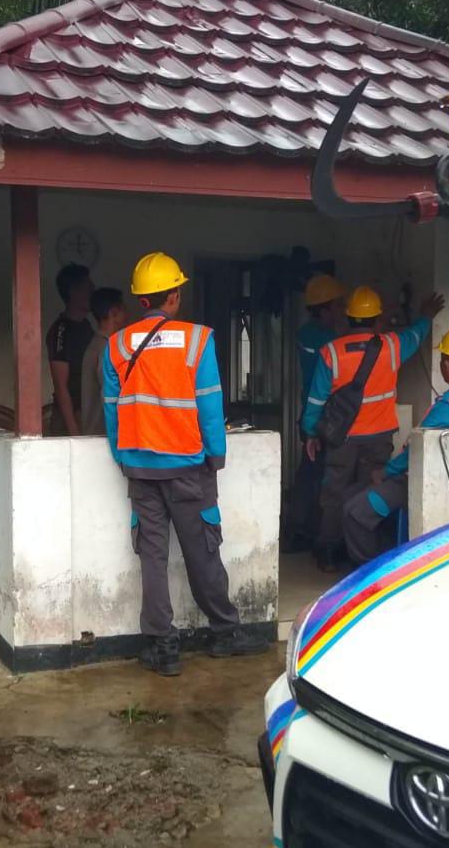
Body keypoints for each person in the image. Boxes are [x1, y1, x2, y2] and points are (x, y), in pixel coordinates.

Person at [102, 252, 269, 676]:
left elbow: (111, 411)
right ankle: (224, 633)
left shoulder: (117, 345)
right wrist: (217, 455)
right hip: (189, 468)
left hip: (140, 469)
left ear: (142, 301)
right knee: (203, 550)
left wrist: (123, 456)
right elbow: (210, 404)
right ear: (174, 296)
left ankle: (162, 646)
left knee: (153, 556)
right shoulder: (197, 340)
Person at [302, 285, 445, 572]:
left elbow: (316, 398)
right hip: (378, 438)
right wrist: (425, 316)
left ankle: (329, 552)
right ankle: (362, 554)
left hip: (341, 438)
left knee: (334, 493)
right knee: (369, 491)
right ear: (378, 319)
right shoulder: (391, 346)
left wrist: (310, 432)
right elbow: (415, 336)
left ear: (348, 318)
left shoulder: (331, 351)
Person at [343, 326, 449, 565]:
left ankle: (370, 571)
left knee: (356, 511)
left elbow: (417, 449)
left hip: (419, 477)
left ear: (447, 364)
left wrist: (385, 471)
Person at [286, 273, 345, 552]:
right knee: (314, 477)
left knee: (313, 476)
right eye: (336, 306)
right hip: (319, 416)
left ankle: (303, 532)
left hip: (318, 415)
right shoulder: (319, 338)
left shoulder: (316, 335)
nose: (340, 311)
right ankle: (302, 533)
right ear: (323, 309)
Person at [47, 263, 95, 436]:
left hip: (86, 412)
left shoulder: (86, 326)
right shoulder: (61, 330)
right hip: (69, 419)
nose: (92, 294)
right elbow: (61, 386)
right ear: (73, 292)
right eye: (88, 288)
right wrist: (74, 430)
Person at [79, 287, 125, 436]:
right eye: (123, 309)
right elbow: (110, 394)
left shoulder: (97, 345)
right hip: (102, 434)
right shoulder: (105, 349)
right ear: (114, 312)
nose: (127, 315)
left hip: (95, 433)